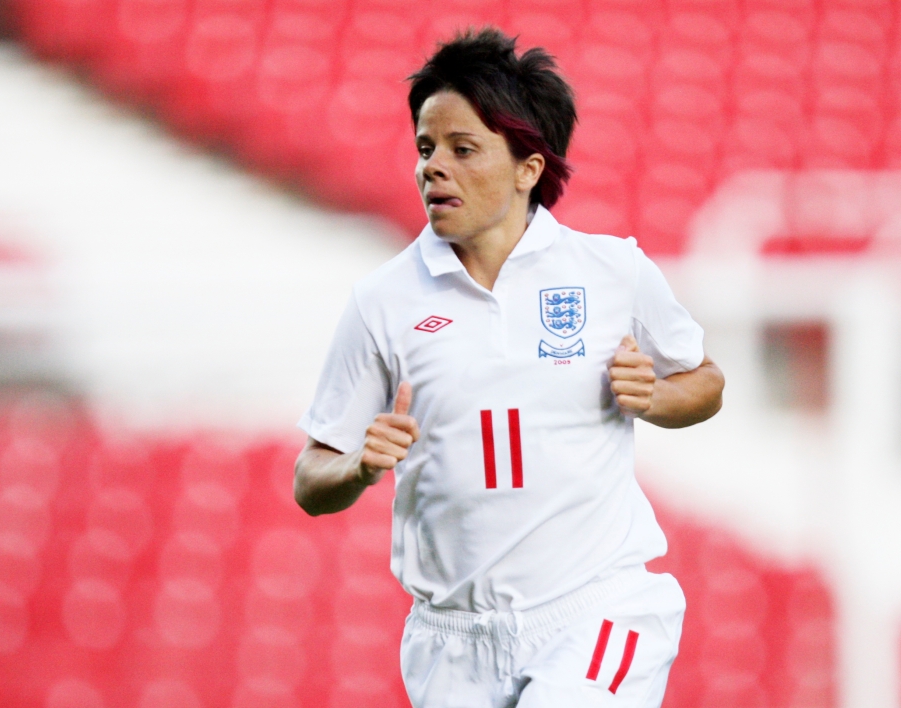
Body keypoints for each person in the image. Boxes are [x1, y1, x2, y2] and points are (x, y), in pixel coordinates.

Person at [294, 28, 724, 708]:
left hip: (595, 607)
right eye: (426, 148)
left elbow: (705, 382)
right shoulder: (383, 301)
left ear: (529, 167)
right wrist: (358, 468)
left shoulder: (613, 271)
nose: (434, 167)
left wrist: (656, 400)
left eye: (463, 150)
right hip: (450, 644)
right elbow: (311, 479)